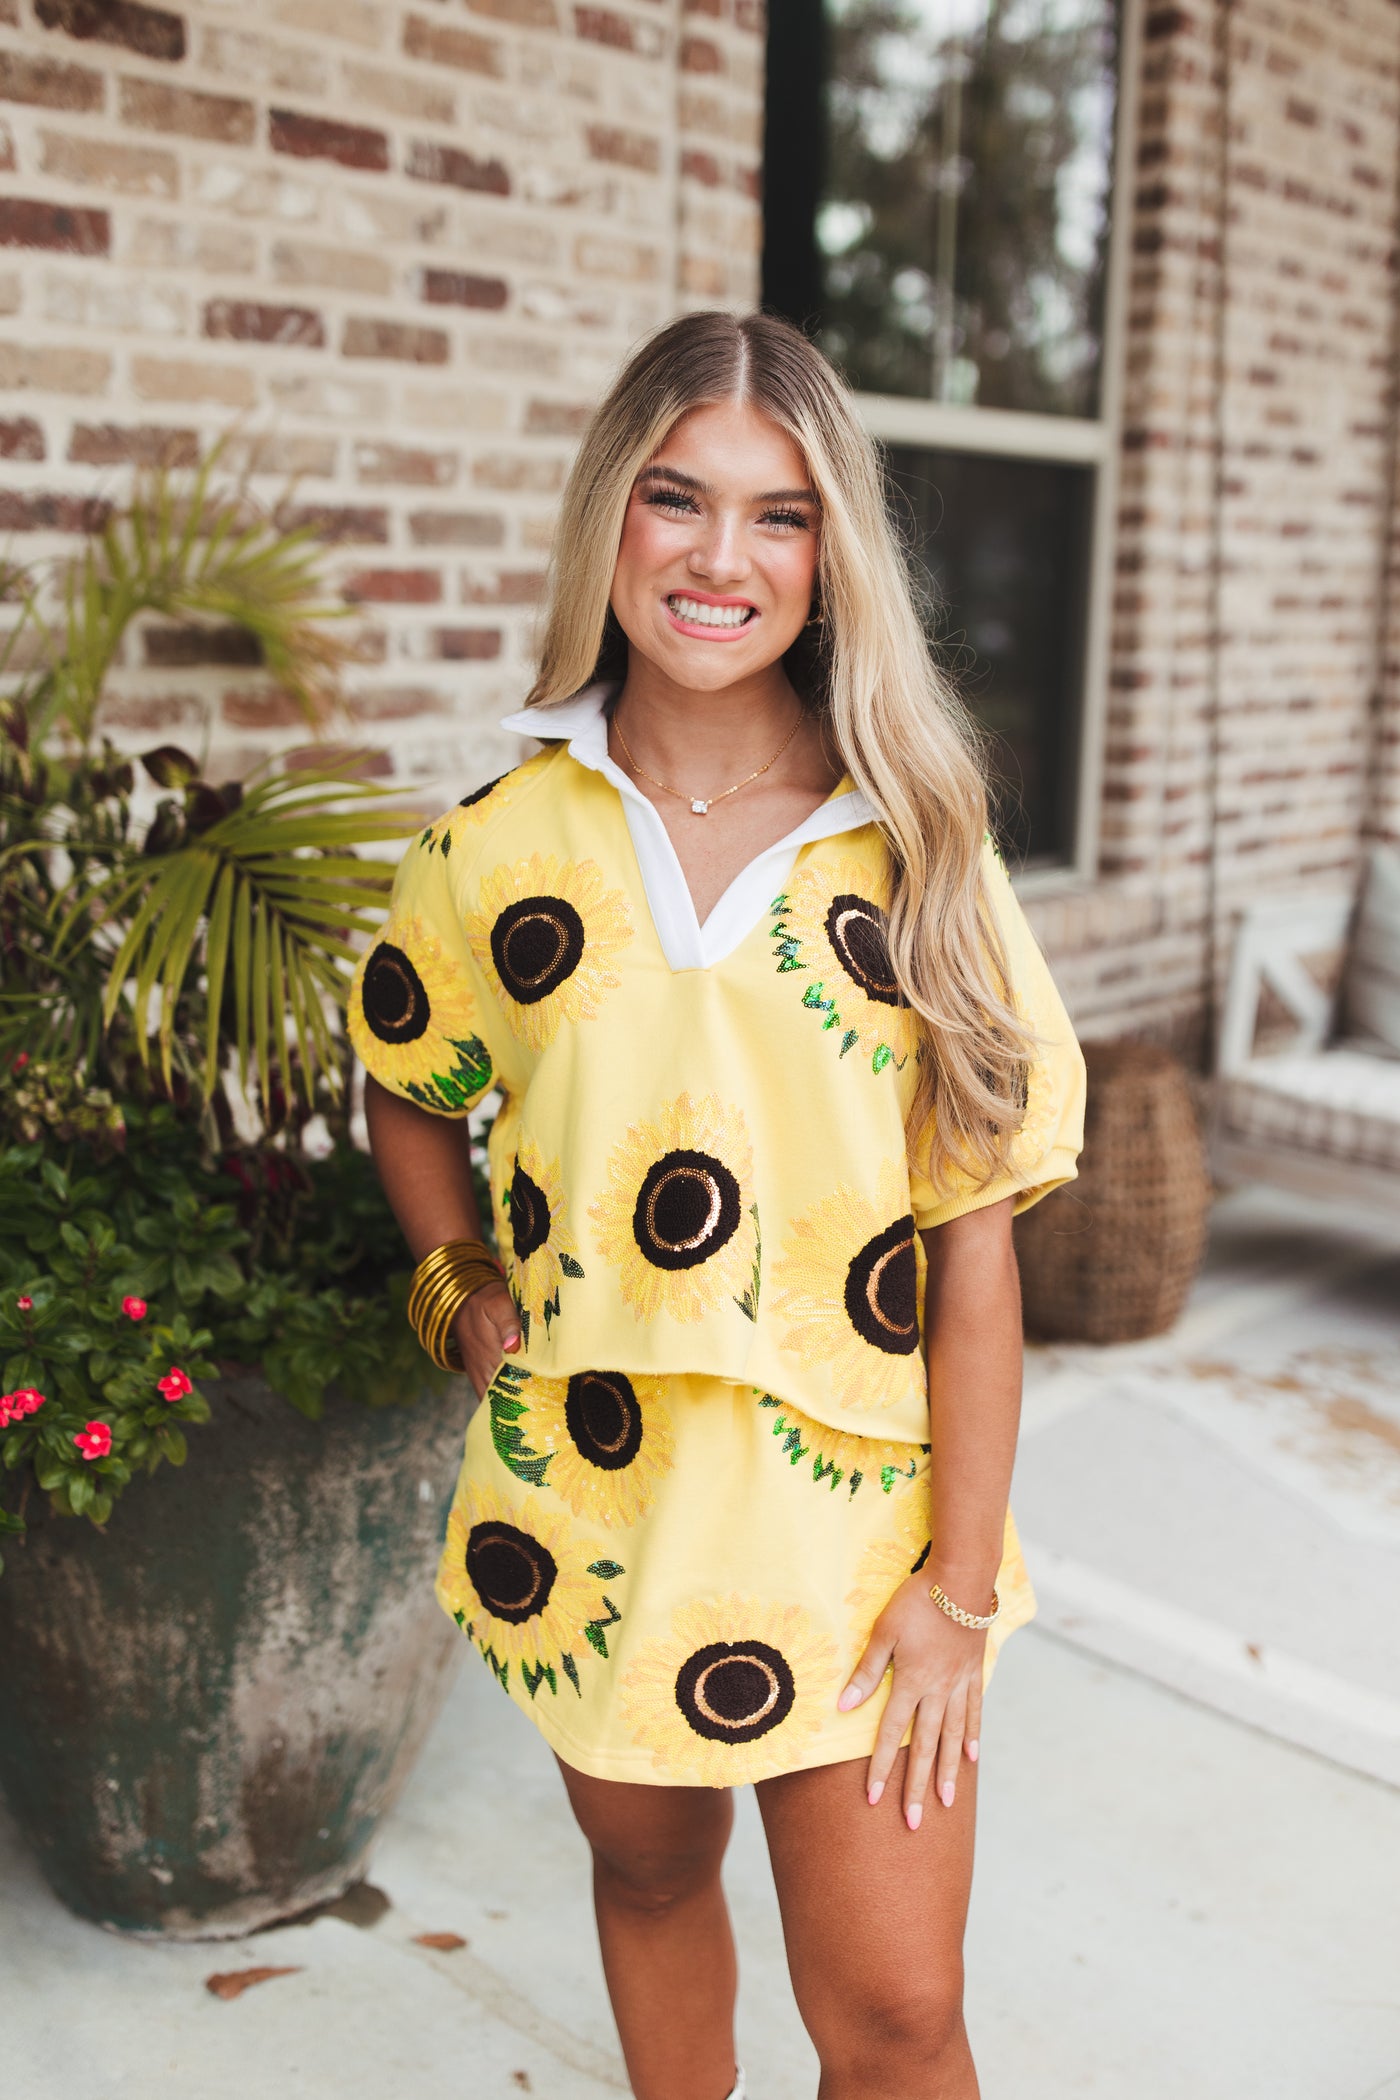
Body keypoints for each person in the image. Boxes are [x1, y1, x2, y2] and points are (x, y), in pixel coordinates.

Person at [352, 309, 1085, 2100]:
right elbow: (405, 1079)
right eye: (678, 501)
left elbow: (974, 1246)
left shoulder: (915, 844)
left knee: (899, 2019)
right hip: (589, 1494)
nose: (719, 557)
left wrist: (958, 1590)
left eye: (780, 515)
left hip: (853, 1536)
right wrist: (459, 1296)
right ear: (613, 517)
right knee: (649, 1870)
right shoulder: (496, 843)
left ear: (832, 558)